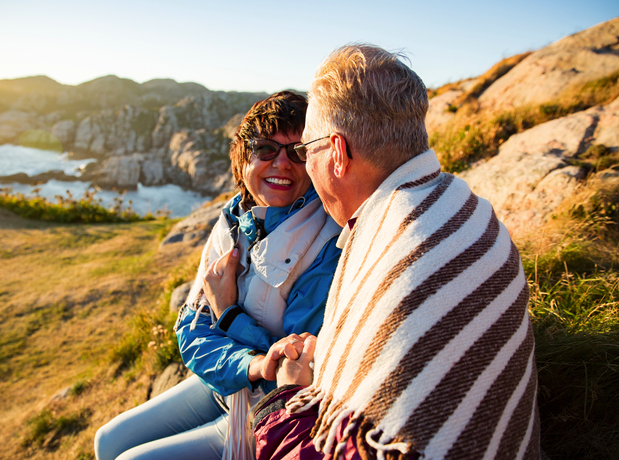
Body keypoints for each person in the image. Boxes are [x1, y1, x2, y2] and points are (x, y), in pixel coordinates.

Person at [250, 45, 541, 460]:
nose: (302, 165)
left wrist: (289, 395)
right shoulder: (466, 207)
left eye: (303, 151)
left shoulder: (390, 248)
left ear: (336, 153)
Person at [94, 91, 342, 460]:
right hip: (226, 382)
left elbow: (293, 363)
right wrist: (248, 362)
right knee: (107, 441)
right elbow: (191, 328)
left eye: (298, 152)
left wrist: (227, 313)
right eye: (265, 150)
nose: (282, 164)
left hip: (267, 407)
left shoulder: (326, 240)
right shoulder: (232, 218)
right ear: (243, 158)